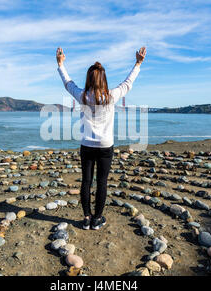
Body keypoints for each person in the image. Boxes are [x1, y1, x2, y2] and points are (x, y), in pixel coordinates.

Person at [56, 46, 146, 230]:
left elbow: (68, 83)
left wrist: (60, 64)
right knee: (102, 182)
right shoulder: (111, 96)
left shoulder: (82, 96)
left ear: (89, 79)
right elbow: (128, 83)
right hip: (106, 146)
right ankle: (97, 219)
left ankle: (87, 218)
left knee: (86, 181)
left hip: (87, 145)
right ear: (103, 79)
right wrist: (137, 63)